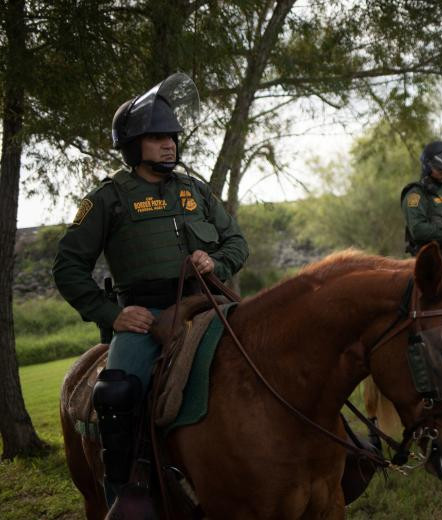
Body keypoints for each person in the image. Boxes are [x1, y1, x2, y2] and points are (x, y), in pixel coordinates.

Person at [52, 73, 248, 505]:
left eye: (172, 137)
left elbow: (236, 242)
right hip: (145, 318)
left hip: (208, 304)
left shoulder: (195, 191)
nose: (169, 145)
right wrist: (113, 314)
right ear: (132, 145)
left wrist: (216, 262)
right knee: (117, 393)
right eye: (157, 137)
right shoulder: (107, 199)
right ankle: (125, 496)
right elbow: (67, 267)